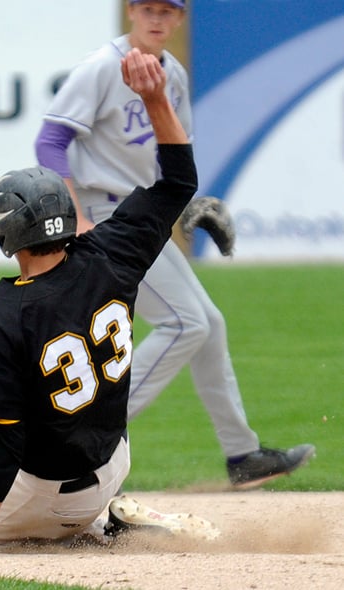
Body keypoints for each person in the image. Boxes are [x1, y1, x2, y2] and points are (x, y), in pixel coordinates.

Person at [0, 48, 208, 556]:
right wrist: (155, 97)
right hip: (114, 462)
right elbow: (179, 180)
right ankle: (107, 516)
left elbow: (4, 441)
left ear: (7, 235)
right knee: (72, 435)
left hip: (43, 497)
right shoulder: (114, 252)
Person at [34, 0, 314, 489]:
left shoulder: (173, 75)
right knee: (185, 323)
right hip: (104, 215)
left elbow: (170, 150)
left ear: (180, 17)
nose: (157, 18)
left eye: (168, 9)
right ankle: (83, 432)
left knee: (210, 324)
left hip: (143, 214)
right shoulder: (103, 67)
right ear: (131, 12)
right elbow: (50, 140)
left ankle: (242, 454)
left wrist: (186, 204)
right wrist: (75, 214)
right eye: (148, 8)